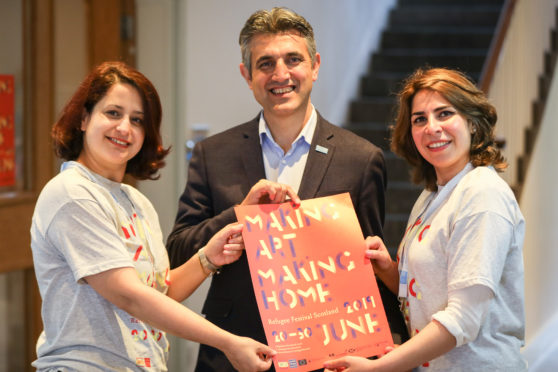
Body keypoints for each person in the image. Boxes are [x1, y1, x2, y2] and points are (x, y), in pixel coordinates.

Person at [166, 6, 408, 372]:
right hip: (233, 353)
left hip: (329, 357)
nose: (280, 74)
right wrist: (241, 214)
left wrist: (388, 346)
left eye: (293, 59)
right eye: (265, 63)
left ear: (315, 66)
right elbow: (178, 251)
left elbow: (370, 269)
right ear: (247, 75)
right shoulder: (212, 154)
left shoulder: (361, 159)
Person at [30, 61, 275, 371]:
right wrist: (227, 342)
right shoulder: (72, 193)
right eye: (113, 113)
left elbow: (159, 293)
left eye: (137, 120)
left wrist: (207, 258)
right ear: (83, 118)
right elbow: (128, 294)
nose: (124, 128)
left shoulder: (136, 201)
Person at [323, 67, 527, 371]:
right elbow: (421, 293)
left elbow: (463, 318)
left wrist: (380, 367)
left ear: (472, 122)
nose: (432, 127)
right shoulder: (432, 195)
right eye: (420, 119)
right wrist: (388, 269)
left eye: (444, 114)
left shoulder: (482, 194)